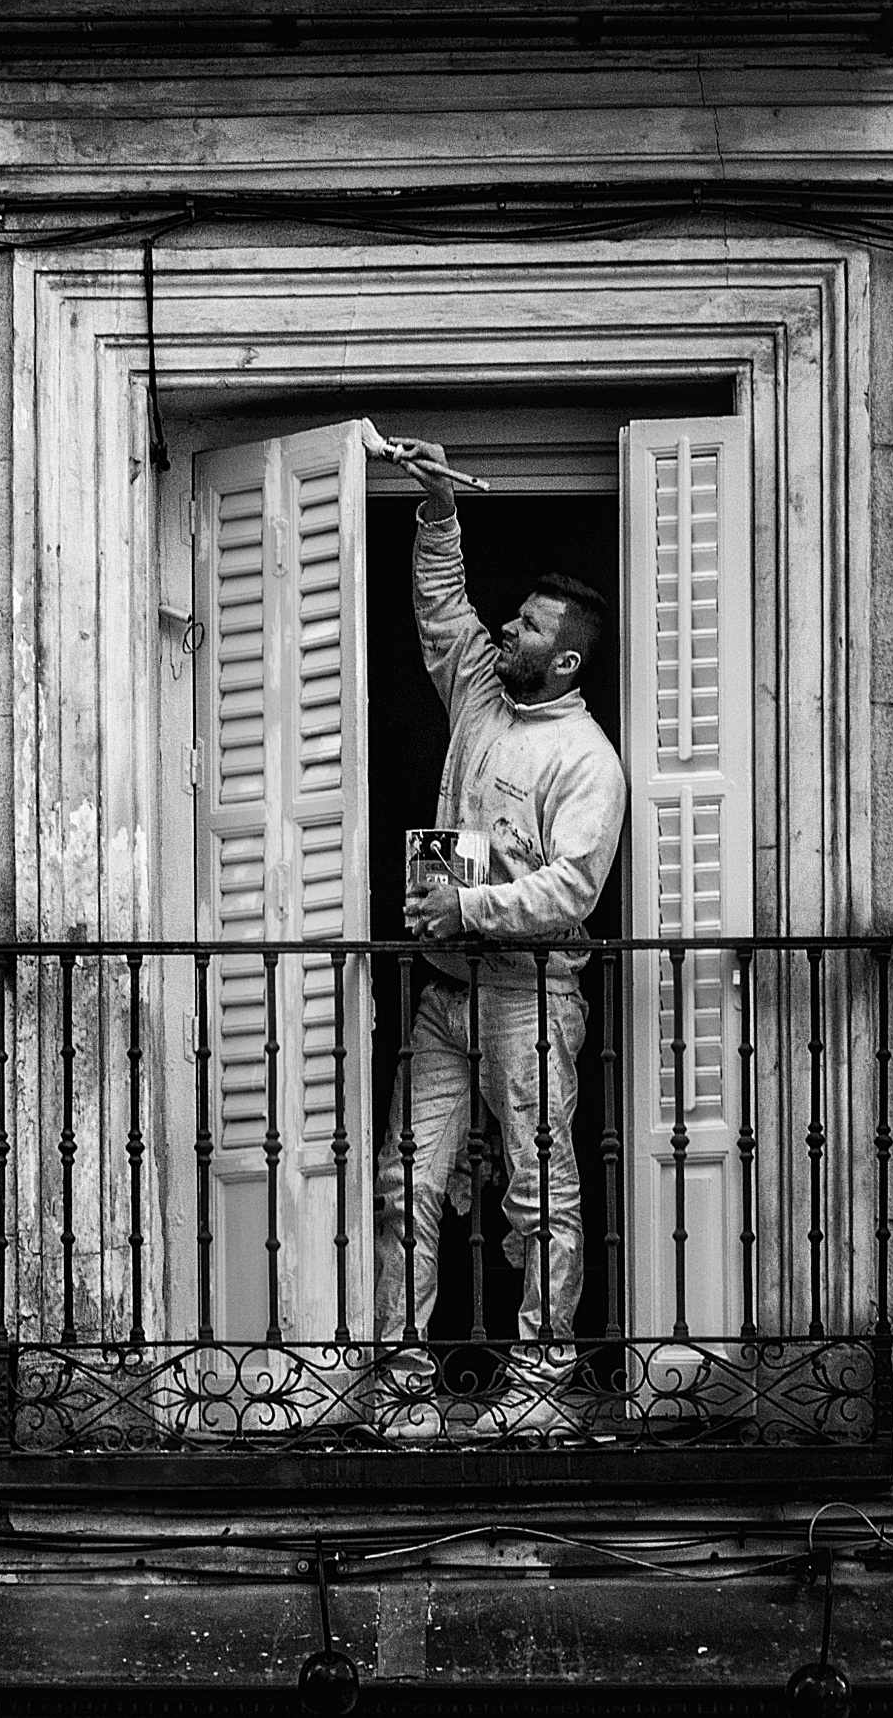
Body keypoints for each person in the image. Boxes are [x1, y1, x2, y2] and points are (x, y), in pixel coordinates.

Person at [370, 440, 627, 1442]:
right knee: (403, 1184)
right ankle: (400, 1384)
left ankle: (541, 1383)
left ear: (564, 660)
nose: (505, 630)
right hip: (447, 998)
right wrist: (437, 506)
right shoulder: (482, 694)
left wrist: (466, 910)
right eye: (512, 618)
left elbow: (571, 889)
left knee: (540, 1195)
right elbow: (443, 610)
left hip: (530, 998)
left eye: (525, 626)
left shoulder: (587, 761)